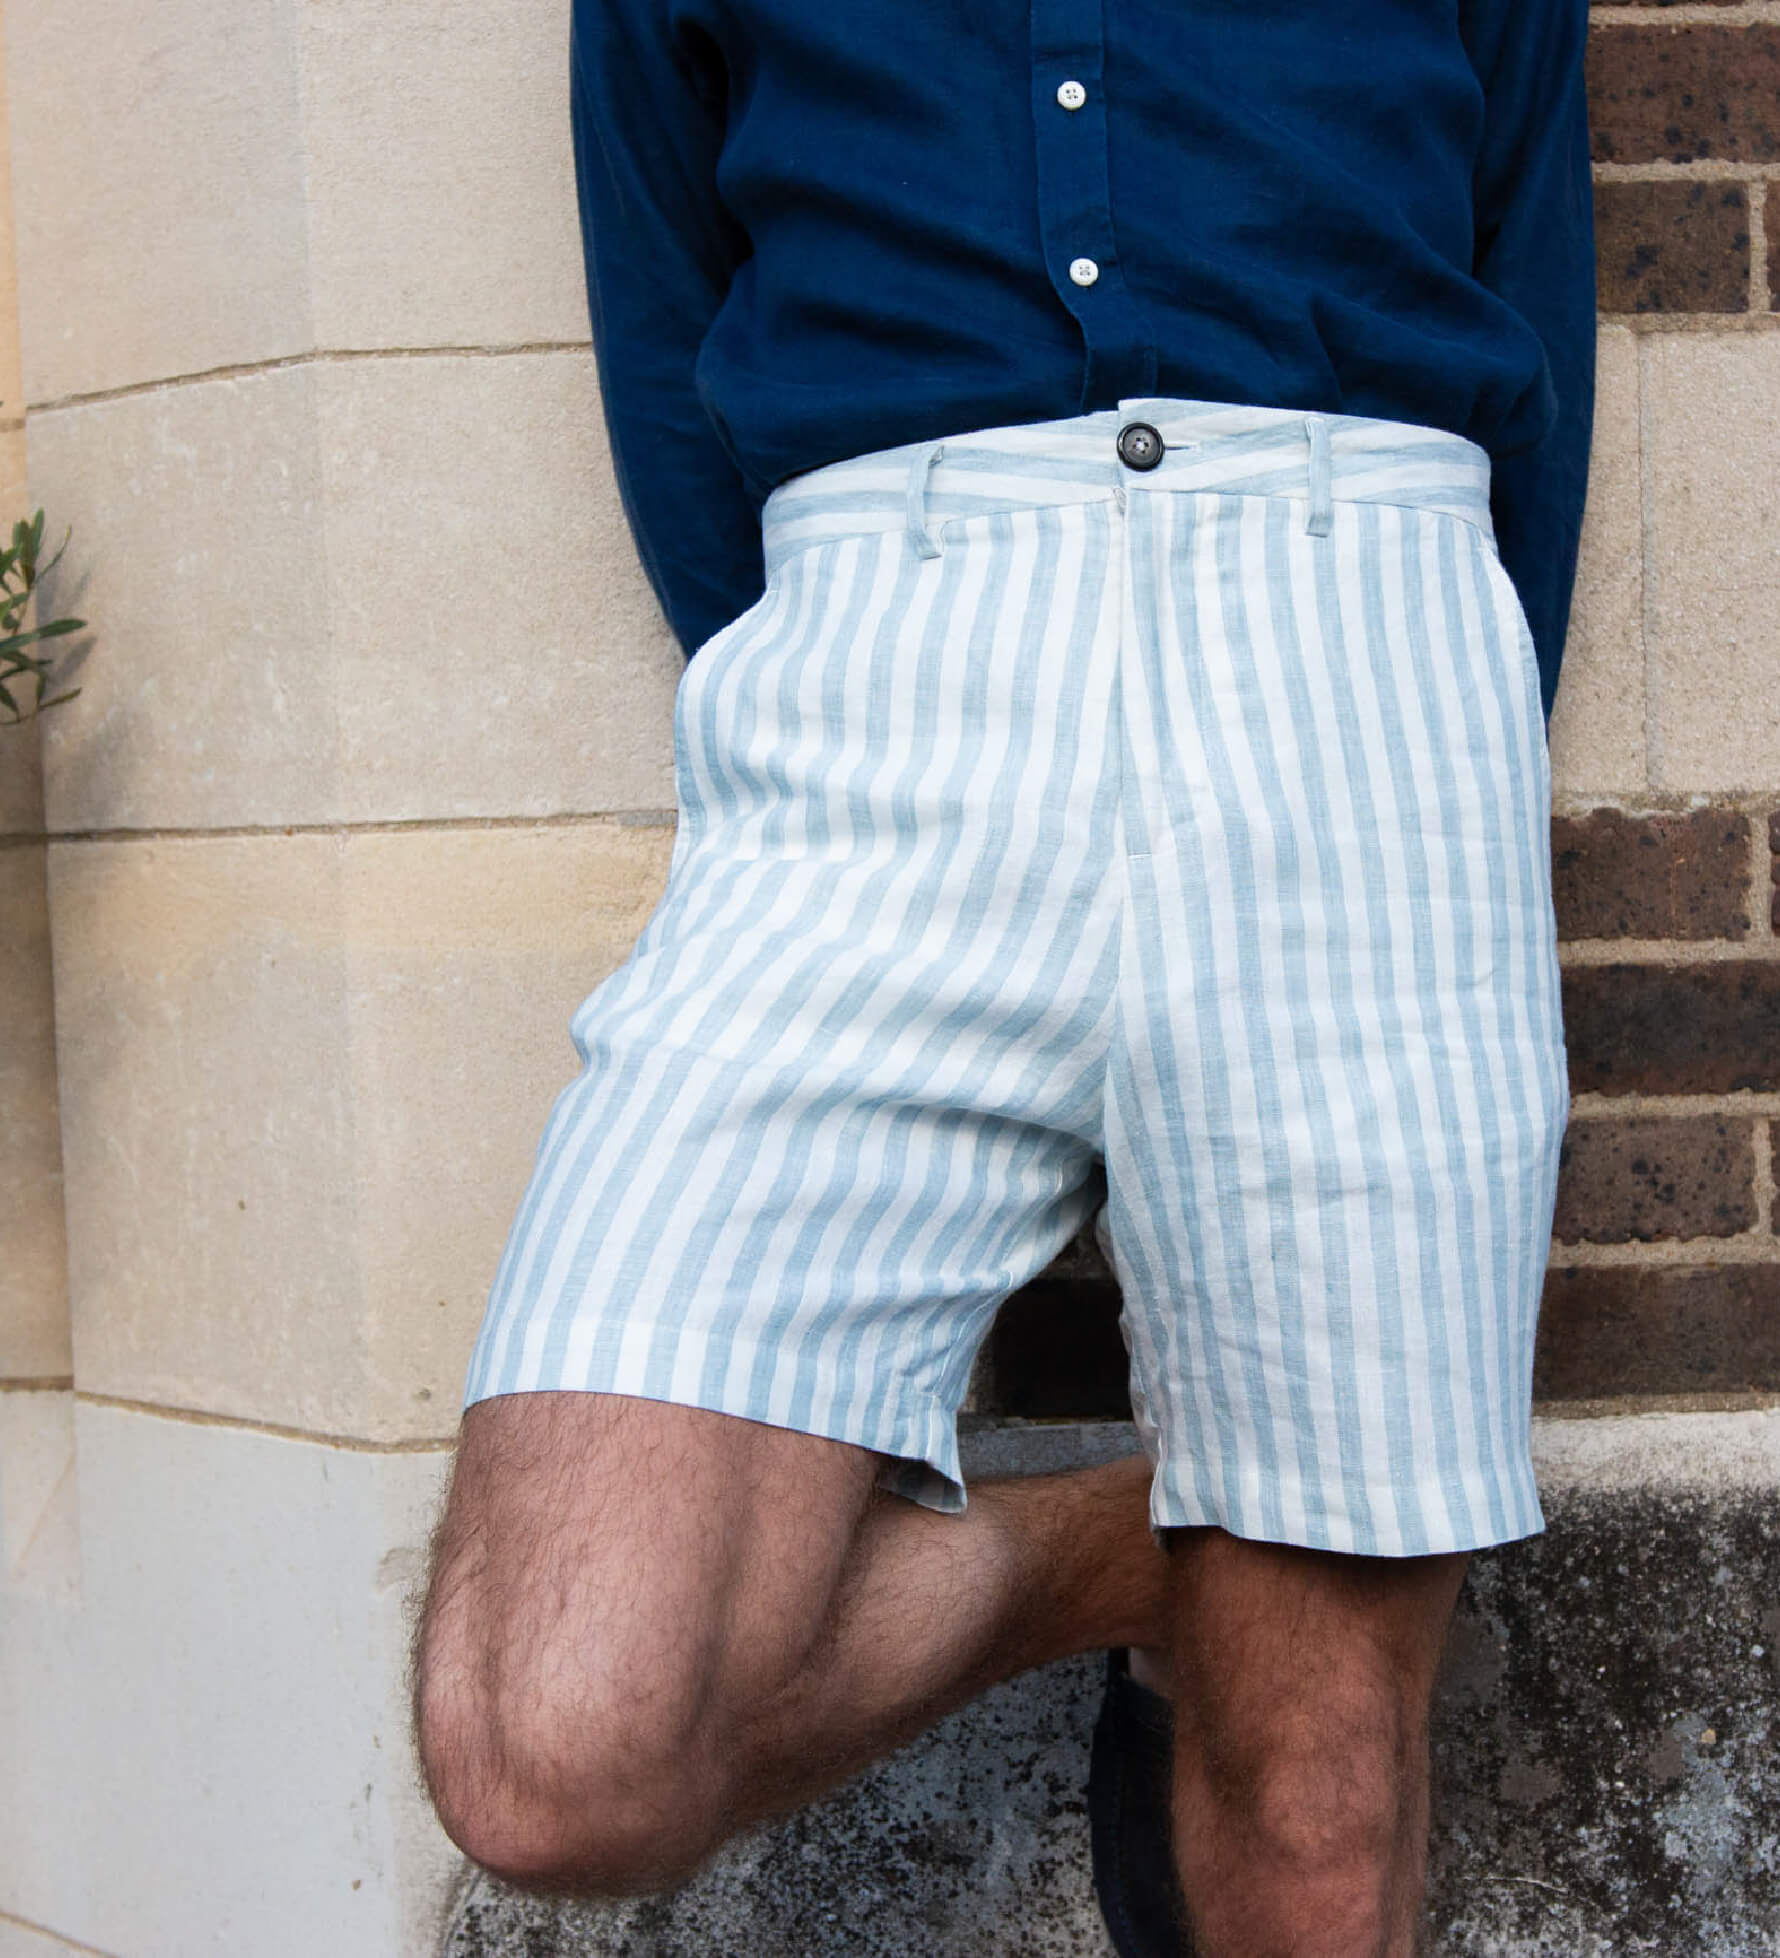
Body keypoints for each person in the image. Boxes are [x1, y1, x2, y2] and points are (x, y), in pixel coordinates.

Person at [412, 1, 1595, 1950]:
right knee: (552, 1728)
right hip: (882, 650)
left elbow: (1523, 275)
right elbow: (661, 316)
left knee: (1310, 1824)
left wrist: (1431, 743)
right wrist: (826, 666)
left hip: (1354, 634)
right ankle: (1150, 1548)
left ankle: (1266, 1561)